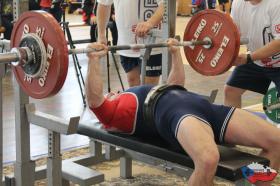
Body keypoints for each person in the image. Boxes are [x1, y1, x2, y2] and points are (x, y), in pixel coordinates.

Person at [85, 39, 280, 185]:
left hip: (204, 108)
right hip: (178, 115)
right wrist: (93, 61)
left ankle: (253, 183)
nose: (110, 92)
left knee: (277, 141)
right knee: (207, 159)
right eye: (108, 94)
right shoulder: (113, 113)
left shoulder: (131, 93)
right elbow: (94, 100)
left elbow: (176, 85)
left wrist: (175, 53)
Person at [224, 0, 280, 108]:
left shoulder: (276, 4)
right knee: (231, 90)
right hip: (255, 60)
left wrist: (249, 58)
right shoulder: (238, 3)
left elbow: (278, 43)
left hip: (276, 64)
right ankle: (233, 124)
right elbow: (234, 34)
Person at [97, 0, 164, 87]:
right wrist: (101, 34)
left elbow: (165, 5)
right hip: (126, 41)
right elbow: (103, 4)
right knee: (132, 82)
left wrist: (150, 23)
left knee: (149, 86)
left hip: (152, 41)